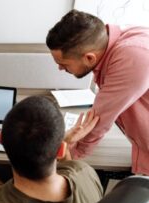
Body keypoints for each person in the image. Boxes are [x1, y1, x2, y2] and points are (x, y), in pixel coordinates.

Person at [46, 9, 149, 175]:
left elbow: (98, 121)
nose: (59, 68)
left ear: (89, 58)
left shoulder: (132, 56)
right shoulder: (110, 40)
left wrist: (70, 158)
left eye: (64, 64)